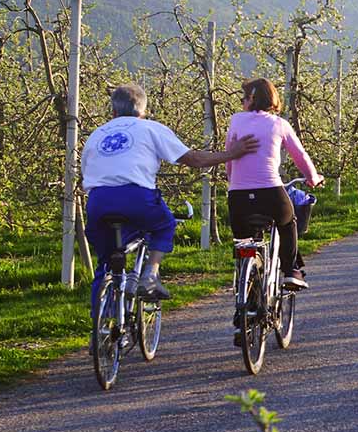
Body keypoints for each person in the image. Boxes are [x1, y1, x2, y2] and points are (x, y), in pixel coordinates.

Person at [82, 84, 258, 308]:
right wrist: (232, 154)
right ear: (143, 111)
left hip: (98, 201)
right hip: (137, 197)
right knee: (165, 224)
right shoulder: (150, 128)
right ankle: (150, 275)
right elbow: (194, 160)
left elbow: (87, 173)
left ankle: (102, 330)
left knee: (107, 263)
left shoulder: (96, 134)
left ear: (113, 112)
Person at [225, 77, 324, 298]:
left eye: (244, 98)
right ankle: (290, 271)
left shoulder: (236, 121)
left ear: (251, 99)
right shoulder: (279, 124)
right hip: (270, 191)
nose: (242, 103)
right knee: (288, 222)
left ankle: (247, 301)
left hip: (238, 197)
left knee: (244, 245)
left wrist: (233, 182)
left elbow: (229, 157)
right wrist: (313, 177)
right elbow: (300, 156)